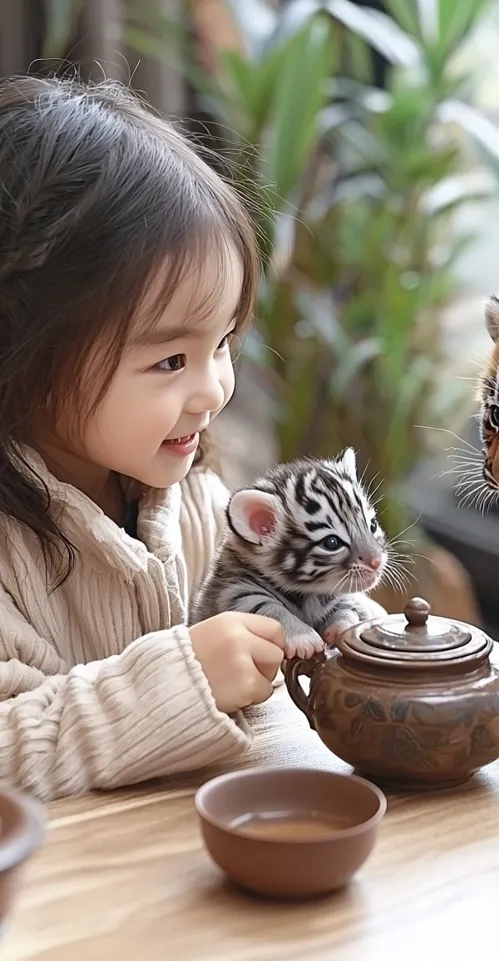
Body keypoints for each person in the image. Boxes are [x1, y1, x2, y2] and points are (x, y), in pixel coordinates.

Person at [0, 75, 286, 800]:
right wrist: (181, 680)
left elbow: (284, 597)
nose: (213, 389)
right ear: (29, 357)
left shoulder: (192, 498)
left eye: (223, 342)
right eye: (169, 360)